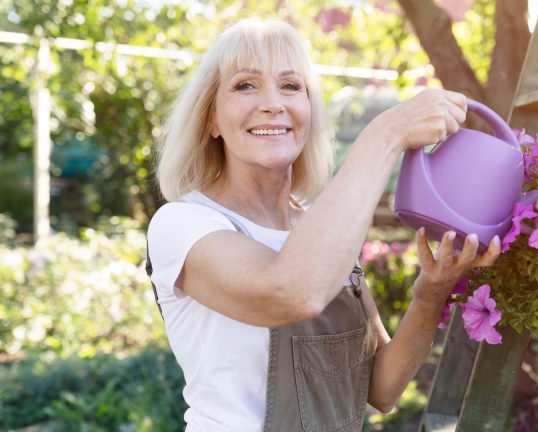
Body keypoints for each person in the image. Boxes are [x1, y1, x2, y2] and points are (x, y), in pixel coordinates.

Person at [146, 16, 501, 431]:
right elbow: (291, 293)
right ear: (211, 120)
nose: (273, 103)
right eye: (246, 85)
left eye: (292, 86)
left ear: (309, 112)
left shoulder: (321, 227)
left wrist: (430, 293)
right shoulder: (183, 224)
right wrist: (386, 133)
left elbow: (381, 390)